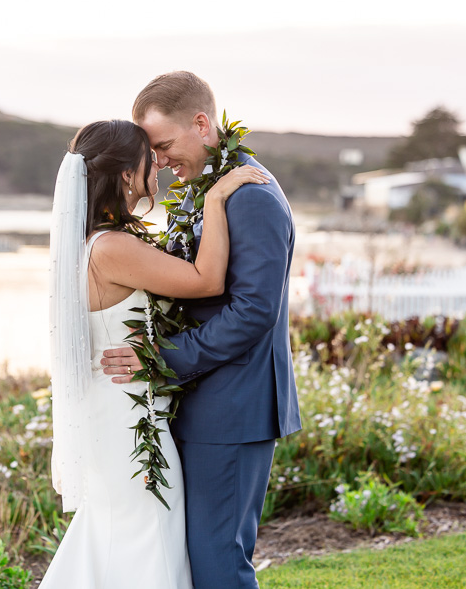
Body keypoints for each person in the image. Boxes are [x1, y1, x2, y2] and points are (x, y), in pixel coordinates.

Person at [40, 119, 268, 588]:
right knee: (148, 538)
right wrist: (215, 198)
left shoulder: (97, 244)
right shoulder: (112, 248)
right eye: (151, 156)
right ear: (127, 174)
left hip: (118, 412)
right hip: (130, 424)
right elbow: (207, 281)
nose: (160, 163)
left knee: (118, 538)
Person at [101, 71, 302, 589]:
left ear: (202, 123)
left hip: (234, 406)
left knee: (218, 559)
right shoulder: (207, 189)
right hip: (204, 399)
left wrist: (160, 357)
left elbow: (254, 311)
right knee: (199, 556)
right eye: (153, 151)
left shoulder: (250, 194)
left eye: (164, 145)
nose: (160, 161)